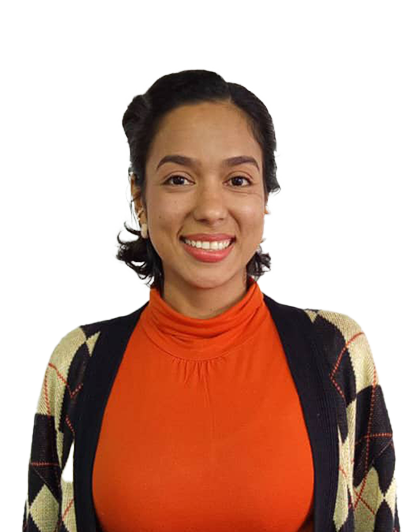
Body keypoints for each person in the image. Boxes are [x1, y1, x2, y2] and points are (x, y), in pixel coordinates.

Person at [22, 69, 401, 532]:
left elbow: (377, 517)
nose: (210, 208)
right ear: (139, 197)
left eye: (238, 180)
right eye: (179, 179)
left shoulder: (336, 351)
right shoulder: (78, 363)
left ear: (265, 198)